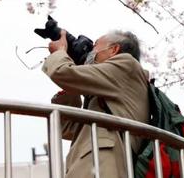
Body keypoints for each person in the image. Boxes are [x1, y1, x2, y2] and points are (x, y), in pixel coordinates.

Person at [43, 30, 149, 178]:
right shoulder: (109, 90)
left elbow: (61, 72)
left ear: (114, 49)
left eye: (95, 46)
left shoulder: (127, 65)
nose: (91, 52)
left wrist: (60, 52)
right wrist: (72, 84)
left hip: (102, 166)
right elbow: (68, 129)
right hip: (89, 165)